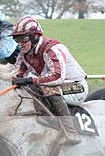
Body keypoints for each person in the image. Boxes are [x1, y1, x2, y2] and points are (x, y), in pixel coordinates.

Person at [10, 16, 87, 145]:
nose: (20, 43)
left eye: (24, 38)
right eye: (16, 39)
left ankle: (71, 132)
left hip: (76, 86)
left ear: (35, 36)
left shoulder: (51, 48)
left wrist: (30, 80)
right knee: (26, 88)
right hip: (57, 86)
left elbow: (57, 77)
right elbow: (18, 72)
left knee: (46, 88)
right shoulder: (24, 53)